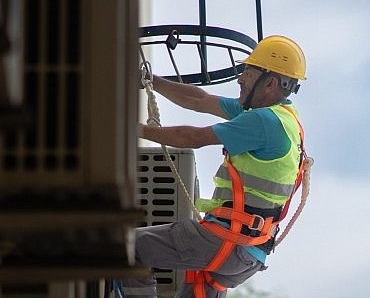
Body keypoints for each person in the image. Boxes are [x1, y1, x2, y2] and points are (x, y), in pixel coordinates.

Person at [123, 35, 307, 298]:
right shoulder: (283, 119)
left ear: (270, 83)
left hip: (226, 240)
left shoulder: (264, 122)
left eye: (248, 73)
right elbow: (200, 100)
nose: (240, 79)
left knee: (128, 247)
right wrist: (152, 81)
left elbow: (193, 138)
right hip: (247, 252)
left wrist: (132, 128)